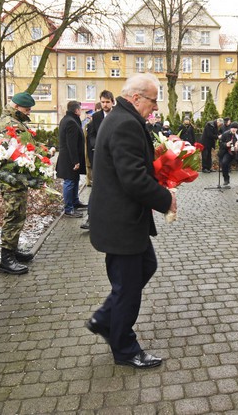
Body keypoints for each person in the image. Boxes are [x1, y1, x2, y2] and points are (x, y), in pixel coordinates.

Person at [86, 73, 176, 369]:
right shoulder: (125, 123)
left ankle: (105, 318)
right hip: (121, 222)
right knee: (128, 288)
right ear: (136, 97)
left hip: (121, 221)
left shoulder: (121, 118)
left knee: (145, 268)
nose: (155, 107)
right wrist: (166, 199)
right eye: (153, 100)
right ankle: (124, 347)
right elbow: (134, 179)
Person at [0, 91, 38, 275]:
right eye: (26, 110)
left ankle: (13, 249)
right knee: (13, 214)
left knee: (18, 213)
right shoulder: (9, 123)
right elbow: (16, 149)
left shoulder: (13, 121)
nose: (28, 113)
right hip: (10, 178)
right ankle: (7, 258)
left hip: (15, 177)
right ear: (16, 107)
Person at [83, 91, 115, 230]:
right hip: (99, 157)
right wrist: (97, 145)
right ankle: (91, 218)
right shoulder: (96, 117)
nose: (105, 105)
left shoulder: (117, 116)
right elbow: (91, 135)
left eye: (107, 102)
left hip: (114, 158)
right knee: (97, 189)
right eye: (102, 102)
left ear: (112, 102)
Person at [56, 100, 87, 218]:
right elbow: (71, 144)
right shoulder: (71, 122)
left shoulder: (67, 120)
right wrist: (76, 161)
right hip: (69, 159)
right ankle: (69, 208)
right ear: (77, 110)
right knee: (69, 182)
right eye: (80, 109)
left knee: (74, 180)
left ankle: (75, 202)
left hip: (68, 158)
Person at [218, 122, 238, 186]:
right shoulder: (225, 134)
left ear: (237, 129)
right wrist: (226, 144)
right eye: (232, 128)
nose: (233, 129)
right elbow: (220, 144)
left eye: (235, 128)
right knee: (224, 163)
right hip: (228, 152)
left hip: (237, 152)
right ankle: (226, 179)